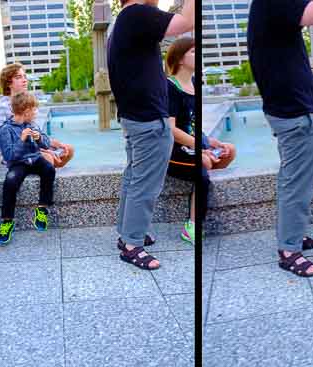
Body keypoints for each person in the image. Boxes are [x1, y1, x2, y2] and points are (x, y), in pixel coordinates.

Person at [250, 0, 313, 277]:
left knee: (297, 180)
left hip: (293, 109)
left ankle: (294, 236)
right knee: (297, 183)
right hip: (293, 111)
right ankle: (289, 250)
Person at [107, 0, 193, 271]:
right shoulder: (137, 14)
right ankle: (133, 244)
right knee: (145, 184)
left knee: (134, 178)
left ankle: (127, 233)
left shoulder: (124, 20)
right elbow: (186, 23)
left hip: (136, 116)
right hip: (147, 119)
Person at [165, 37, 226, 244]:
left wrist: (210, 142)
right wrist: (200, 150)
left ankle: (206, 161)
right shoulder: (170, 87)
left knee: (229, 151)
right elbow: (171, 129)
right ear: (180, 59)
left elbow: (193, 124)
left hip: (192, 145)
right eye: (193, 52)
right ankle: (192, 225)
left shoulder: (194, 84)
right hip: (174, 151)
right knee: (203, 168)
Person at [0, 93, 72, 245]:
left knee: (49, 169)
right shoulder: (6, 130)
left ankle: (42, 208)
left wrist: (39, 139)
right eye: (34, 110)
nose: (36, 113)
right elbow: (9, 156)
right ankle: (7, 221)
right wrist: (22, 140)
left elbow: (45, 143)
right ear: (26, 110)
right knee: (10, 181)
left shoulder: (33, 125)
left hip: (35, 159)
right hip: (18, 163)